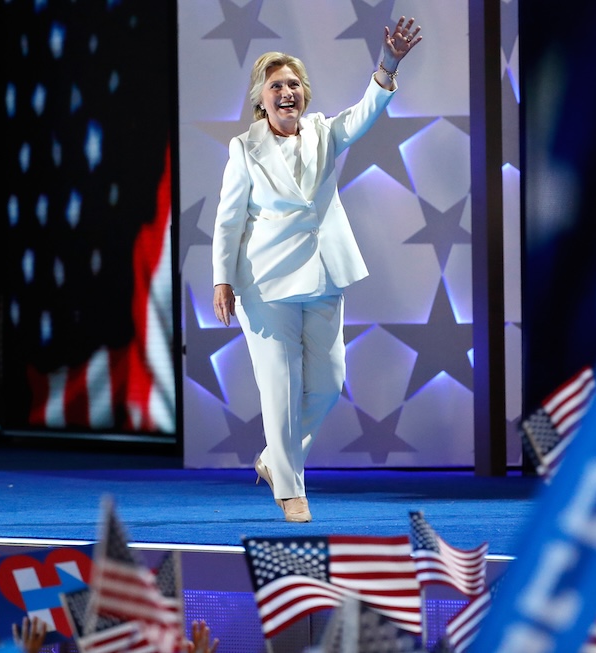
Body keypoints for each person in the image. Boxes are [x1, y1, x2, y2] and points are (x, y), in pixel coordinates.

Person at [211, 17, 423, 522]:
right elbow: (227, 219)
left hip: (325, 275)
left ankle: (274, 460)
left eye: (294, 85)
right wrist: (221, 279)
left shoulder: (325, 132)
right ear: (260, 99)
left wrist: (388, 63)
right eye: (276, 86)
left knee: (328, 382)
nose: (287, 92)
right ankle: (290, 489)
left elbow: (365, 113)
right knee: (279, 391)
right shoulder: (244, 148)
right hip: (265, 283)